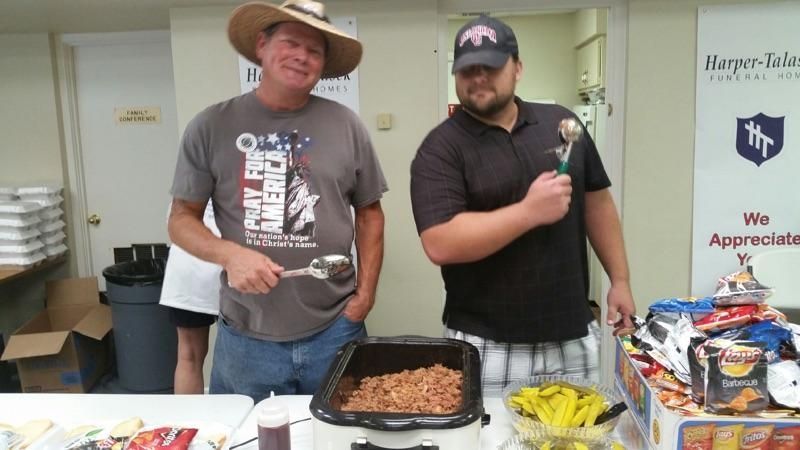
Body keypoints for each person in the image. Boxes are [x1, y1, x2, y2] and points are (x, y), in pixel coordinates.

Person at [168, 0, 387, 403]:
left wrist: (366, 295)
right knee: (251, 438)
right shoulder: (211, 125)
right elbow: (181, 220)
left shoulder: (346, 125)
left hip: (335, 329)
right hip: (247, 338)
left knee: (340, 439)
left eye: (315, 50)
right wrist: (230, 255)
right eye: (291, 42)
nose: (302, 56)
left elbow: (371, 213)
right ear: (262, 46)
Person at [410, 15, 635, 396]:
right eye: (467, 69)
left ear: (517, 68)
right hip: (487, 342)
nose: (478, 77)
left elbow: (596, 201)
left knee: (576, 438)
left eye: (491, 66)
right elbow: (440, 242)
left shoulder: (561, 122)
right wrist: (528, 212)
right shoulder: (440, 149)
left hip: (572, 335)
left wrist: (621, 280)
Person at [159, 201, 221, 394]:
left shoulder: (191, 173)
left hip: (188, 262)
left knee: (188, 356)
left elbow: (173, 220)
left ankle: (188, 422)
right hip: (232, 261)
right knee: (243, 354)